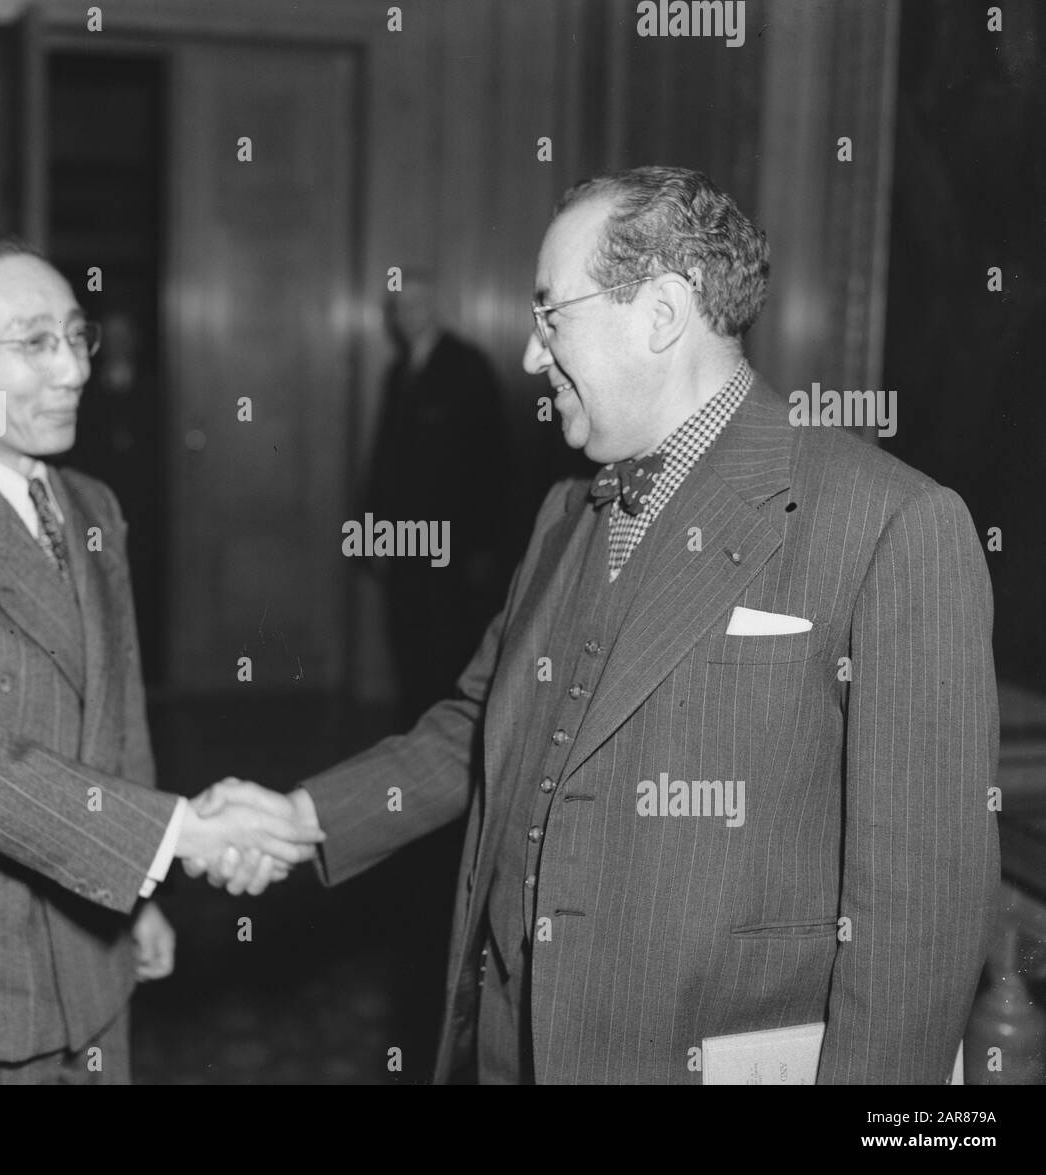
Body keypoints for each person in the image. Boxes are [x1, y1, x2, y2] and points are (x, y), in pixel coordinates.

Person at [195, 167, 1000, 1085]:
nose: (533, 355)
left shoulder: (891, 523)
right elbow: (476, 727)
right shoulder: (563, 510)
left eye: (551, 314)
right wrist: (303, 818)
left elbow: (922, 920)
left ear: (659, 314)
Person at [0, 232, 322, 1084]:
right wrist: (182, 834)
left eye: (77, 335)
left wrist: (138, 900)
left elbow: (116, 716)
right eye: (32, 343)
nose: (75, 369)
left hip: (93, 968)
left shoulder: (94, 505)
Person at [366, 270, 511, 727]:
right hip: (402, 541)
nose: (407, 317)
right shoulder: (398, 372)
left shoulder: (468, 367)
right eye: (399, 307)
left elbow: (492, 464)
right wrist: (373, 535)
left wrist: (483, 547)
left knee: (446, 648)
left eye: (417, 306)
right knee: (407, 642)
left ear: (435, 309)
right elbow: (384, 461)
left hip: (453, 545)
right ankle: (412, 739)